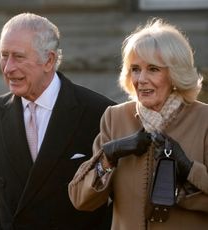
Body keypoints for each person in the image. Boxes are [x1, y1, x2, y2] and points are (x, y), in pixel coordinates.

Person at [0, 12, 115, 230]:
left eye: (18, 57)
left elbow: (117, 203)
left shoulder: (99, 113)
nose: (7, 68)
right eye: (4, 55)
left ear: (49, 60)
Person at [68, 18, 208, 230]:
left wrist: (189, 169)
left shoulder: (203, 119)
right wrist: (108, 157)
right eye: (135, 69)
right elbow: (80, 199)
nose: (141, 79)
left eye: (153, 69)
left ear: (175, 73)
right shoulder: (114, 118)